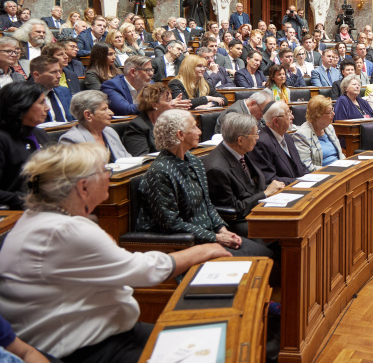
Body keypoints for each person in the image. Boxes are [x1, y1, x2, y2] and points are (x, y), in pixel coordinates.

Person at [0, 142, 230, 363]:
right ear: (83, 187)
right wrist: (202, 251)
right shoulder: (64, 230)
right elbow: (145, 272)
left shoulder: (40, 219)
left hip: (105, 329)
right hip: (82, 348)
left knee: (203, 344)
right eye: (104, 170)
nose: (109, 175)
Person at [136, 110, 271, 256]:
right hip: (184, 245)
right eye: (194, 127)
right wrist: (216, 238)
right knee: (264, 259)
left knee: (270, 252)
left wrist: (222, 229)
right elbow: (172, 224)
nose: (199, 131)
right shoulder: (160, 172)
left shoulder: (194, 161)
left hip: (209, 234)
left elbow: (207, 204)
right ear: (180, 135)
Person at [205, 113, 285, 238]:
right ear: (240, 140)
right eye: (255, 134)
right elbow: (233, 210)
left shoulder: (239, 151)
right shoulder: (217, 169)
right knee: (285, 229)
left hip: (255, 209)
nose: (257, 138)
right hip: (238, 223)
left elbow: (255, 183)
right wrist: (265, 194)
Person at [0, 82, 50, 210]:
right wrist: (27, 200)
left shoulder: (40, 133)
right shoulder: (3, 139)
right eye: (41, 102)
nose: (47, 108)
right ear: (22, 106)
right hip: (15, 213)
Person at [59, 90, 131, 162]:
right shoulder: (70, 140)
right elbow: (76, 172)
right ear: (88, 115)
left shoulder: (110, 132)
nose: (111, 113)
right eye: (104, 109)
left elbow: (128, 159)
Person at [250, 102, 308, 184]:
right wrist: (300, 182)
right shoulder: (261, 143)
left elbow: (300, 165)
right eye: (288, 114)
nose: (292, 117)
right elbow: (269, 179)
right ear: (276, 121)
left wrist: (309, 178)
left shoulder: (288, 137)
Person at [293, 95, 345, 172]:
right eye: (329, 112)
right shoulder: (302, 135)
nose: (333, 114)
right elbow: (306, 167)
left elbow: (340, 154)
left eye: (332, 109)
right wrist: (333, 170)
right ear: (317, 115)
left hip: (339, 171)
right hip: (323, 176)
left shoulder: (329, 127)